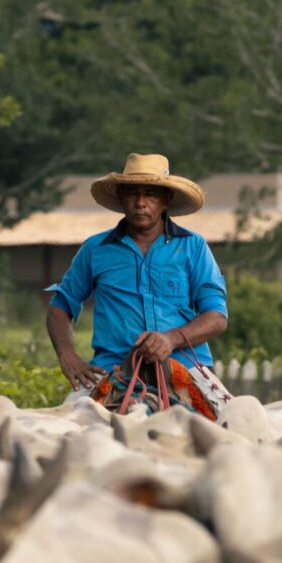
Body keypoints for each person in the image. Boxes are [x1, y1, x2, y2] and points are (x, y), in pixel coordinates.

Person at [46, 152, 228, 404]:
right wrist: (67, 355)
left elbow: (216, 317)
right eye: (132, 193)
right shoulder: (95, 249)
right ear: (121, 198)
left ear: (166, 199)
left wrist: (170, 339)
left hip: (187, 367)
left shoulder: (193, 247)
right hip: (112, 369)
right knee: (67, 431)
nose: (140, 202)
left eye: (151, 194)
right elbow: (60, 306)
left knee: (234, 425)